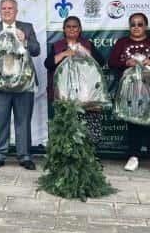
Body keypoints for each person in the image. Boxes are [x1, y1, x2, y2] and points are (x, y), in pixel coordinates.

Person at [108, 13, 150, 174]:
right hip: (130, 90)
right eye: (133, 24)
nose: (136, 27)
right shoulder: (123, 42)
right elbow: (112, 62)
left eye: (140, 24)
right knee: (133, 121)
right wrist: (126, 62)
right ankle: (133, 156)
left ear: (146, 26)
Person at [0, 0, 41, 171]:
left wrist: (25, 41)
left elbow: (36, 50)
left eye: (10, 8)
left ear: (16, 11)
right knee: (0, 119)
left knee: (23, 120)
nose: (7, 11)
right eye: (3, 8)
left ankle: (24, 156)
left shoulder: (27, 27)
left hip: (24, 84)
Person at [44, 15, 106, 146]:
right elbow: (48, 64)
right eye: (68, 27)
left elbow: (101, 62)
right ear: (64, 29)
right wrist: (64, 53)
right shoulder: (57, 46)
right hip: (64, 96)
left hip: (87, 96)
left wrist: (84, 52)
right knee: (66, 128)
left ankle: (89, 159)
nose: (72, 29)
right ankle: (67, 159)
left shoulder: (87, 44)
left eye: (75, 26)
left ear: (80, 29)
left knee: (88, 130)